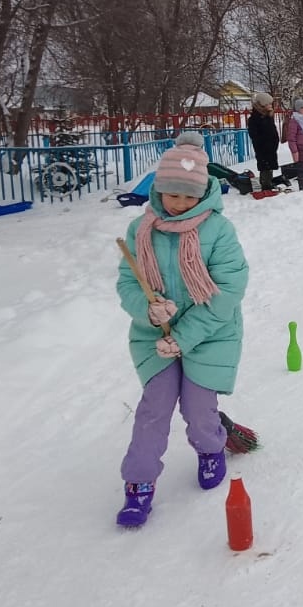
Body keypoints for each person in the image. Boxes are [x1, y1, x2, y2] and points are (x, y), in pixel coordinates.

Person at [115, 131, 249, 527]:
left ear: (204, 191)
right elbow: (128, 282)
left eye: (189, 196)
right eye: (172, 194)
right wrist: (148, 311)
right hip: (154, 337)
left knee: (196, 406)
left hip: (211, 334)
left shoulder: (218, 232)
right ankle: (138, 483)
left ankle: (211, 447)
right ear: (159, 189)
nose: (180, 203)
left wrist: (184, 335)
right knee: (154, 409)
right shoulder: (141, 230)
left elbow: (228, 291)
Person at [246, 92, 281, 191]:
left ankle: (269, 183)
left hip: (271, 147)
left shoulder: (268, 116)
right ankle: (265, 186)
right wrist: (264, 144)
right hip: (263, 148)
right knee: (265, 166)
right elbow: (254, 135)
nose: (270, 106)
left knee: (270, 166)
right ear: (262, 105)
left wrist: (274, 142)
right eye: (268, 104)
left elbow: (272, 130)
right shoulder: (255, 118)